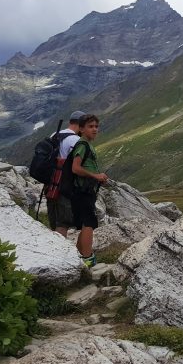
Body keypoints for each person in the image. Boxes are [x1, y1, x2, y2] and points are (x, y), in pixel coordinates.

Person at [68, 113, 109, 267]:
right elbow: (75, 168)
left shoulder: (87, 145)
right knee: (89, 222)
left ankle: (80, 256)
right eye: (90, 127)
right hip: (82, 191)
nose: (95, 130)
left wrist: (98, 178)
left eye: (96, 126)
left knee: (87, 222)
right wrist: (95, 176)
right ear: (81, 129)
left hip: (86, 190)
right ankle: (87, 258)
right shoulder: (82, 145)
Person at [45, 111, 85, 236]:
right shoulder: (75, 140)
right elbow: (77, 165)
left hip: (50, 185)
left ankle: (53, 247)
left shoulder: (55, 134)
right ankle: (58, 252)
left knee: (54, 221)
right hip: (65, 185)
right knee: (63, 222)